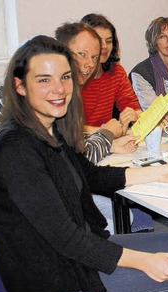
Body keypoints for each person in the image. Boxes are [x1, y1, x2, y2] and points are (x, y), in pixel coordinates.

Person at [0, 35, 168, 292]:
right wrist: (143, 261)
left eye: (64, 77)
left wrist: (157, 173)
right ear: (20, 86)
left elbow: (92, 175)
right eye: (44, 80)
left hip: (85, 252)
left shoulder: (52, 128)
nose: (59, 89)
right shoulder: (16, 151)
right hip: (59, 283)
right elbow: (66, 239)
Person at [56, 22, 148, 233]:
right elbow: (79, 162)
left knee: (125, 215)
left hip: (69, 180)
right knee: (115, 221)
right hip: (45, 211)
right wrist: (107, 133)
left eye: (94, 56)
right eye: (82, 54)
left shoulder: (71, 90)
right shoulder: (59, 97)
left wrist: (112, 142)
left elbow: (72, 151)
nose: (88, 63)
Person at [79, 13, 142, 136]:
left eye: (109, 41)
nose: (104, 47)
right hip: (79, 145)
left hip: (107, 141)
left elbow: (133, 106)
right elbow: (67, 128)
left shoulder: (116, 71)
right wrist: (105, 130)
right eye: (98, 41)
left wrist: (138, 116)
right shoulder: (72, 76)